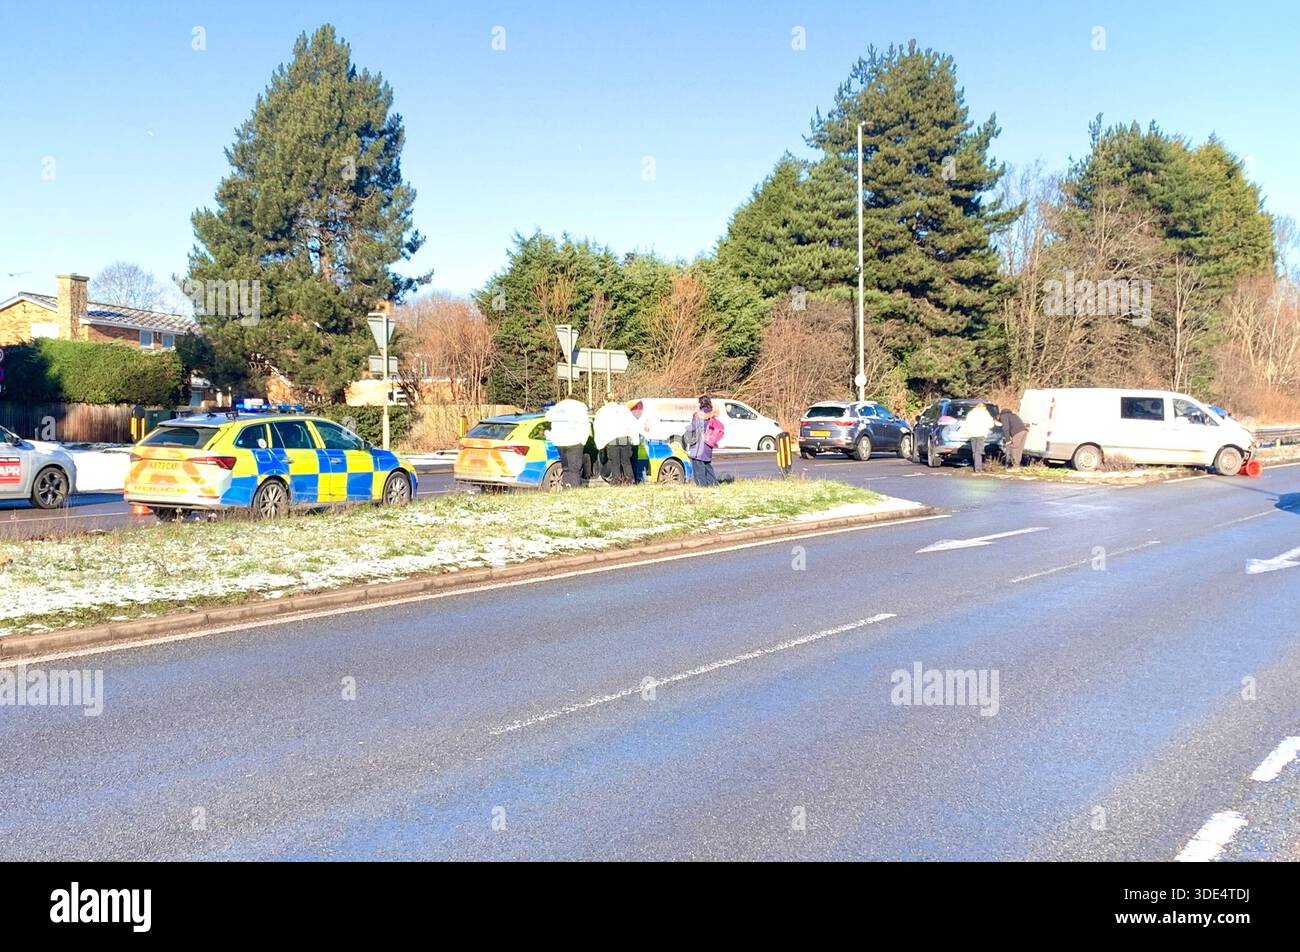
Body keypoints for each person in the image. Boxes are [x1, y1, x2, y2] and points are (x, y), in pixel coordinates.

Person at [544, 398, 590, 488]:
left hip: (560, 441)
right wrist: (583, 440)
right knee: (575, 469)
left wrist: (550, 435)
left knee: (565, 468)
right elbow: (586, 425)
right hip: (575, 441)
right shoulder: (580, 407)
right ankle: (574, 487)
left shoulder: (559, 407)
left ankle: (566, 487)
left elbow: (548, 416)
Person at [594, 400, 640, 485]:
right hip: (624, 438)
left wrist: (600, 444)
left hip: (612, 439)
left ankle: (617, 481)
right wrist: (635, 439)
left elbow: (598, 427)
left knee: (615, 462)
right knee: (626, 461)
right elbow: (632, 424)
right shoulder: (624, 409)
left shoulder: (602, 411)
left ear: (604, 401)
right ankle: (630, 480)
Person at [684, 396, 725, 486]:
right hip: (708, 444)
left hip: (699, 444)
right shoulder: (711, 414)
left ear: (701, 403)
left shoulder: (698, 415)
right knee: (707, 465)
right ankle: (713, 484)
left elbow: (693, 427)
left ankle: (702, 485)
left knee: (698, 465)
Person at [960, 402, 996, 473]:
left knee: (974, 451)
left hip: (973, 433)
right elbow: (991, 424)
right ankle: (978, 468)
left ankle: (976, 466)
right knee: (979, 451)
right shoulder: (985, 413)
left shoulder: (971, 413)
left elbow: (967, 424)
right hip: (981, 433)